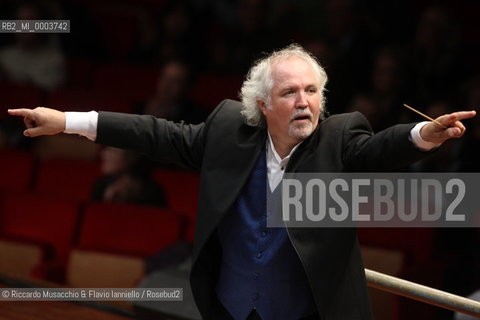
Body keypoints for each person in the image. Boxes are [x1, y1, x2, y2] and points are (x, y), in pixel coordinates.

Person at [8, 44, 475, 320]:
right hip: (232, 310)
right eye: (289, 92)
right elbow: (154, 132)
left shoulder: (340, 136)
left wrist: (424, 135)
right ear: (262, 103)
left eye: (311, 91)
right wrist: (66, 119)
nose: (303, 102)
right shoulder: (228, 131)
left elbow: (378, 151)